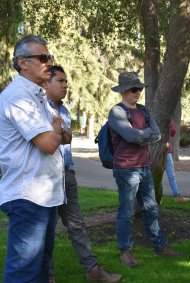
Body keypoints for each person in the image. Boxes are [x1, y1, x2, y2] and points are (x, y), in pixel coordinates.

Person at [0, 35, 66, 282]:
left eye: (50, 57)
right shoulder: (18, 97)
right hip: (27, 197)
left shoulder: (39, 97)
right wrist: (56, 130)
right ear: (22, 62)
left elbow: (64, 135)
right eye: (43, 58)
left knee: (41, 269)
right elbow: (49, 143)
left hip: (44, 196)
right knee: (23, 273)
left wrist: (57, 131)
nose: (49, 62)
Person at [45, 66, 122, 282]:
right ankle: (48, 276)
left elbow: (65, 138)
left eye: (66, 82)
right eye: (60, 81)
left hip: (67, 175)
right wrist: (60, 133)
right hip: (47, 178)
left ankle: (93, 271)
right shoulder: (39, 109)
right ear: (46, 83)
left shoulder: (65, 111)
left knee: (77, 225)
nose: (65, 85)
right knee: (47, 229)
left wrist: (70, 166)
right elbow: (54, 140)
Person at [109, 71, 181, 268]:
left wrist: (142, 135)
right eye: (134, 89)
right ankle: (125, 251)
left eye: (139, 88)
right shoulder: (117, 112)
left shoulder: (144, 110)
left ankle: (159, 246)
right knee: (126, 212)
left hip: (144, 167)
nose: (138, 92)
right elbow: (132, 136)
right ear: (123, 91)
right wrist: (142, 135)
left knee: (151, 208)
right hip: (126, 169)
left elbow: (157, 134)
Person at [165, 120, 190, 203]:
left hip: (154, 150)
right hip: (165, 150)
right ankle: (177, 196)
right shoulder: (168, 118)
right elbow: (172, 132)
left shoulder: (150, 116)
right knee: (171, 175)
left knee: (152, 174)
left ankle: (154, 197)